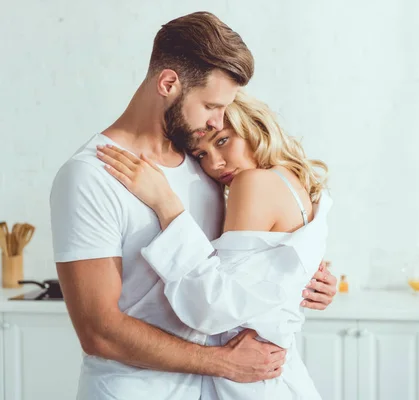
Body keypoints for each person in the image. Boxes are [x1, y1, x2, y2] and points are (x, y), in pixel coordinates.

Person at [49, 11, 337, 400]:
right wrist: (221, 362)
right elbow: (99, 331)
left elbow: (237, 271)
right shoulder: (91, 176)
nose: (218, 122)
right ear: (169, 83)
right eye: (211, 105)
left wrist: (302, 278)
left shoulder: (209, 166)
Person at [95, 89, 331, 399]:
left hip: (252, 379)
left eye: (222, 141)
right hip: (280, 377)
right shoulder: (296, 183)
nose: (215, 164)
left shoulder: (253, 183)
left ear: (254, 128)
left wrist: (166, 203)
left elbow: (212, 308)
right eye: (201, 154)